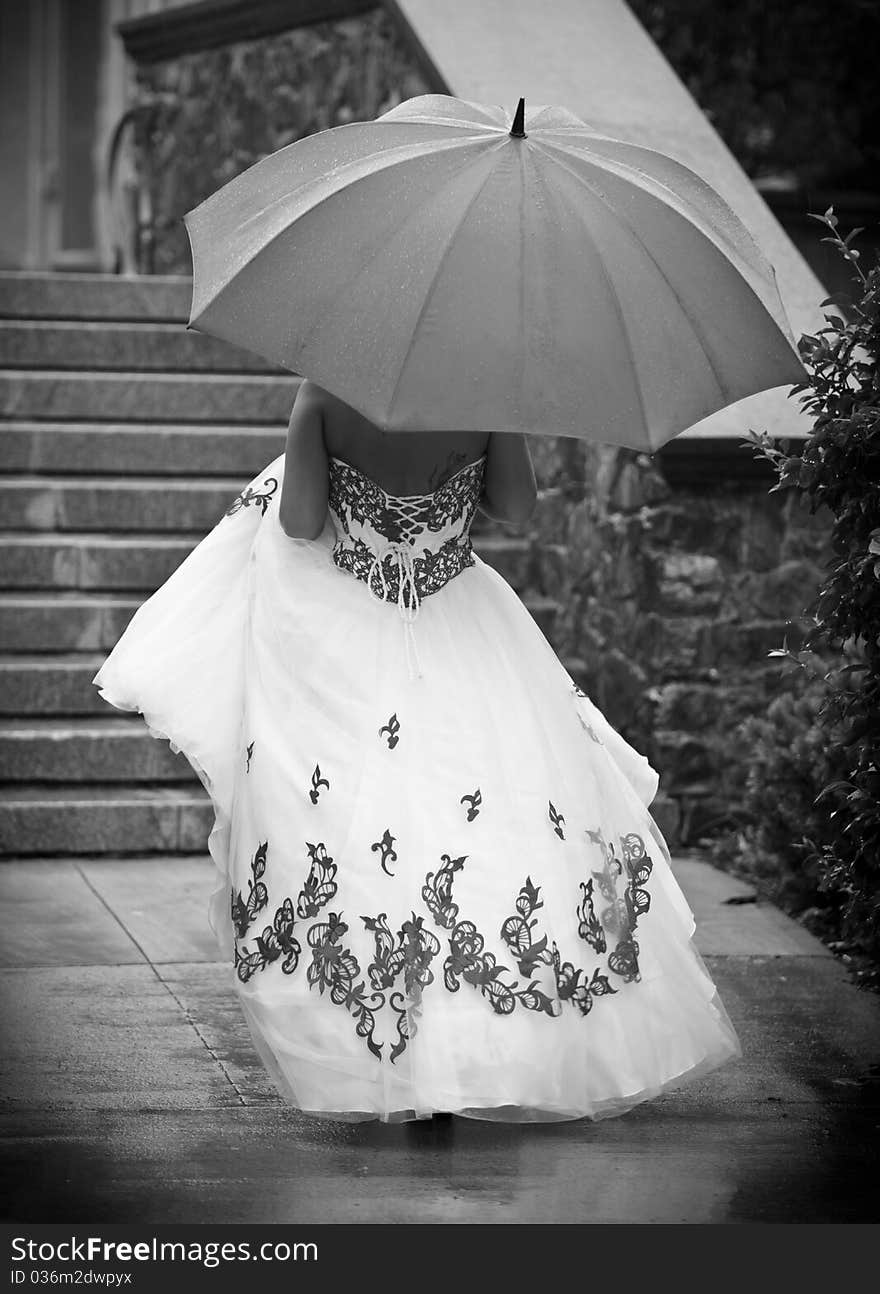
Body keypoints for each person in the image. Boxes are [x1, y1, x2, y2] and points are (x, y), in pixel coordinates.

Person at [94, 379, 740, 1123]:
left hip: (348, 628)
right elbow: (517, 508)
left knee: (367, 836)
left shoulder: (326, 393)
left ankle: (395, 1049)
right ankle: (499, 1045)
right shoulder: (479, 392)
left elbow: (301, 525)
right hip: (462, 621)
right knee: (495, 820)